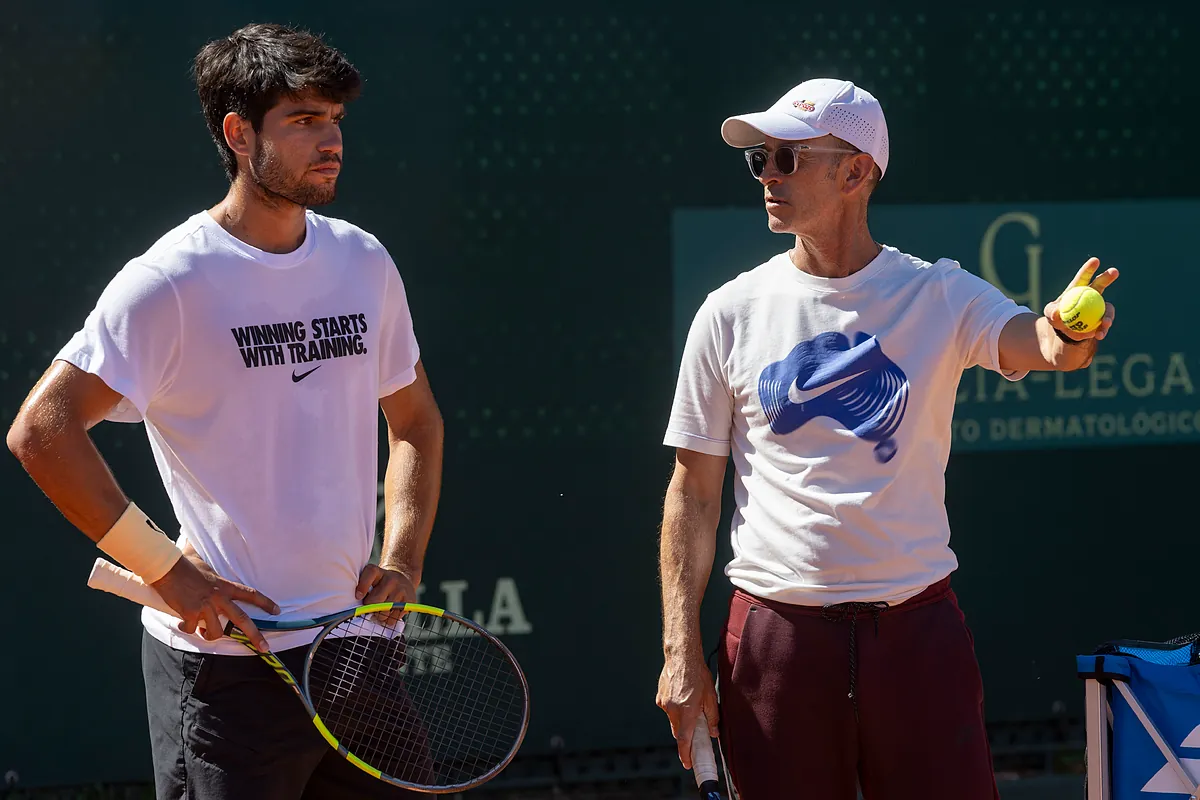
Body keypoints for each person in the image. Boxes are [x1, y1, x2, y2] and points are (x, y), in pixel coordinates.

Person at [6, 23, 444, 800]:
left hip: (354, 655)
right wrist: (168, 572)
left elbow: (415, 422)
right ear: (239, 134)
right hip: (225, 679)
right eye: (303, 121)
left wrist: (403, 555)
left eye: (334, 117)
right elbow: (42, 430)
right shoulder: (171, 281)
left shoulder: (364, 261)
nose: (331, 139)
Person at [654, 77, 1117, 799]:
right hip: (776, 641)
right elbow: (692, 495)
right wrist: (681, 649)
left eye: (787, 158)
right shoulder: (728, 313)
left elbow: (1042, 347)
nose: (768, 176)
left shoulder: (939, 293)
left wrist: (1066, 332)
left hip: (917, 638)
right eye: (761, 161)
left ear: (856, 170)